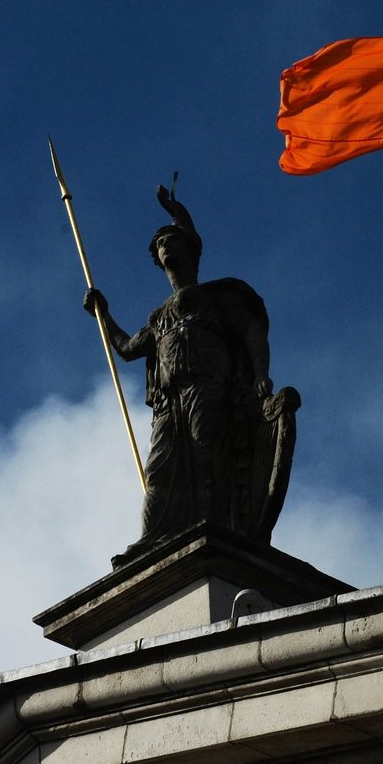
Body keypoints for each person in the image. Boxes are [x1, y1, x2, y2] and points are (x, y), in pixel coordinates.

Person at [83, 187, 298, 563]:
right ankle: (152, 537)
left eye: (171, 239)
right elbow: (128, 349)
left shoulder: (215, 298)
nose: (165, 246)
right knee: (161, 465)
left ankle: (213, 525)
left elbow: (252, 333)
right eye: (160, 243)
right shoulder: (158, 316)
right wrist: (104, 313)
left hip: (207, 385)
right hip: (169, 398)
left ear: (190, 248)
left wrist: (260, 374)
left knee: (206, 452)